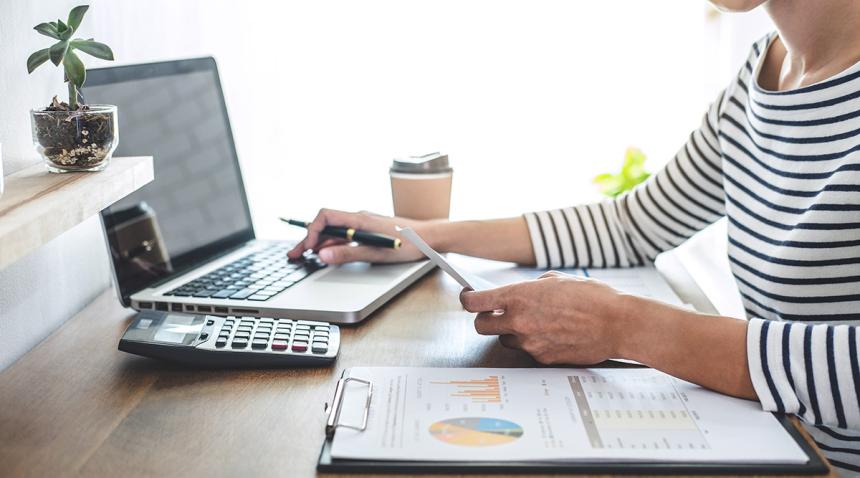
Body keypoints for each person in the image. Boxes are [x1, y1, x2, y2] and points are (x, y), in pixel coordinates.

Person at [288, 0, 860, 473]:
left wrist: (624, 326)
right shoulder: (766, 69)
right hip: (779, 441)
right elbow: (635, 224)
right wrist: (427, 235)